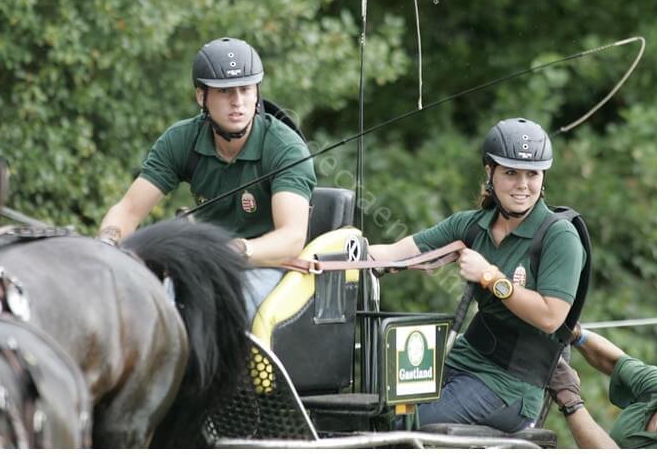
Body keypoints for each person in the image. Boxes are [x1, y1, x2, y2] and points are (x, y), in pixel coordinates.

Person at [370, 117, 584, 432]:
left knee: (407, 425)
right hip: (465, 359)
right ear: (489, 172)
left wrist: (490, 277)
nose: (523, 185)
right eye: (511, 173)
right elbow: (396, 252)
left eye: (532, 174)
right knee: (378, 412)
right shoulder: (472, 225)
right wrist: (337, 253)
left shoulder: (559, 236)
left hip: (512, 385)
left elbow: (551, 317)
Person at [99, 37, 316, 319]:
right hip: (204, 264)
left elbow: (292, 237)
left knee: (222, 307)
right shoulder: (181, 139)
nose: (237, 102)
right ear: (202, 97)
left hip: (268, 267)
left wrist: (236, 250)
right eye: (225, 91)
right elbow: (128, 210)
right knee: (148, 306)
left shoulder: (285, 147)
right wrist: (105, 249)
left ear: (256, 92)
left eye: (245, 89)